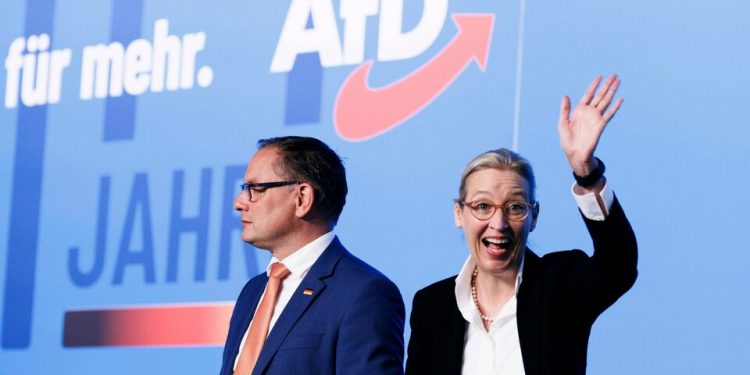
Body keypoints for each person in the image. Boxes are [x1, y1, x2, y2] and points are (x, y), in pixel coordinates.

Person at [405, 75, 638, 375]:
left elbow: (618, 266)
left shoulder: (560, 285)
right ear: (459, 214)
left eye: (515, 207)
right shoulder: (432, 306)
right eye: (483, 206)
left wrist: (587, 173)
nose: (498, 224)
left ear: (534, 217)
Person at [220, 136, 405, 375]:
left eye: (256, 189)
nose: (239, 202)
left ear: (302, 198)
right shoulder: (253, 291)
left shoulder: (363, 292)